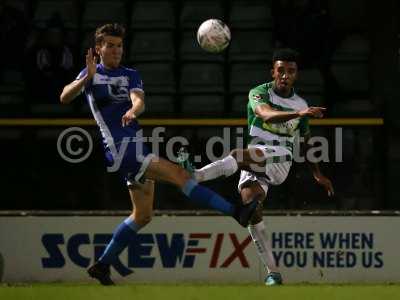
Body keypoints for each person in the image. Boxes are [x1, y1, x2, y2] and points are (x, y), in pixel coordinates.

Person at [59, 23, 257, 285]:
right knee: (180, 174)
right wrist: (87, 78)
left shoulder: (130, 74)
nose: (117, 50)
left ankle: (103, 265)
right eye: (110, 45)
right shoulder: (90, 73)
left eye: (119, 45)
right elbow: (64, 97)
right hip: (120, 149)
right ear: (98, 49)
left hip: (136, 145)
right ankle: (236, 212)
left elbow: (139, 100)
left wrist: (133, 110)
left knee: (142, 215)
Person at [178, 48, 334, 286]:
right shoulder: (260, 93)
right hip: (256, 158)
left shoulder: (300, 103)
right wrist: (299, 113)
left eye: (290, 71)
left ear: (296, 75)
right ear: (273, 71)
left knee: (237, 155)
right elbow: (266, 115)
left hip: (281, 159)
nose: (285, 75)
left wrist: (318, 174)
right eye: (280, 70)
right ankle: (273, 273)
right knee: (252, 210)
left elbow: (306, 143)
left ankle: (196, 175)